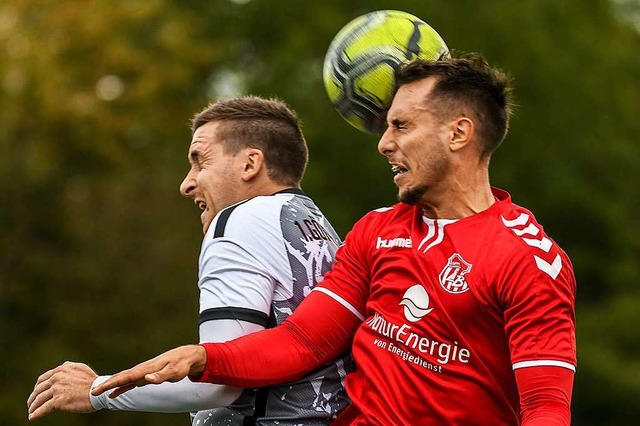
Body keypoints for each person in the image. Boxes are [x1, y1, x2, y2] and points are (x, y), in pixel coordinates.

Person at [92, 53, 577, 425]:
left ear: (459, 133)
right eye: (386, 126)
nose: (384, 143)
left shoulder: (530, 259)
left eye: (401, 125)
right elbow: (303, 341)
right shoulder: (377, 230)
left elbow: (545, 407)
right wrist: (204, 357)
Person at [27, 96, 352, 425]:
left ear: (250, 164)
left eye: (201, 162)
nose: (187, 184)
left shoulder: (238, 221)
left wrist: (96, 392)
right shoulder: (314, 222)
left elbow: (218, 386)